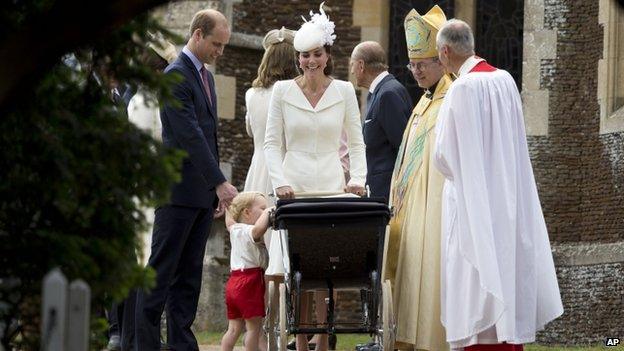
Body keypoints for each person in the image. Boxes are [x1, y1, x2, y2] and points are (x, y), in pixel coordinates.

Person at [433, 19, 563, 351]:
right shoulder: (505, 80)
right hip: (507, 199)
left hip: (472, 204)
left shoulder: (460, 90)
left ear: (446, 51)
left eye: (438, 54)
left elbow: (445, 156)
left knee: (476, 285)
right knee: (505, 270)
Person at [263, 3, 367, 350]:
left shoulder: (344, 92)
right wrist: (279, 181)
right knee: (298, 269)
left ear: (327, 56)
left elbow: (357, 142)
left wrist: (358, 181)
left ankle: (323, 341)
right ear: (298, 58)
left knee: (325, 268)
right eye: (304, 55)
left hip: (331, 185)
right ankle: (301, 339)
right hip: (294, 187)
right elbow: (271, 144)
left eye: (316, 54)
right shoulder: (281, 92)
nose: (310, 61)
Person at [134, 9, 238, 351]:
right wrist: (220, 182)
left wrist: (212, 191)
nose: (219, 51)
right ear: (196, 35)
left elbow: (210, 136)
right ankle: (145, 345)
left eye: (223, 45)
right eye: (216, 44)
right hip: (176, 192)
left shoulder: (205, 76)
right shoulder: (177, 75)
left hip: (199, 196)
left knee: (188, 278)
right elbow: (190, 135)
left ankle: (181, 344)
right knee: (160, 273)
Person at [381, 6, 452, 351]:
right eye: (412, 65)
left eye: (422, 64)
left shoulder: (453, 99)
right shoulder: (422, 102)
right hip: (409, 213)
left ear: (442, 60)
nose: (415, 72)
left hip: (435, 213)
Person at [242, 26, 298, 351]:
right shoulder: (290, 94)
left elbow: (253, 132)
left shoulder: (252, 95)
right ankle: (280, 324)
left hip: (256, 171)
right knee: (282, 253)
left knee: (260, 255)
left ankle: (260, 328)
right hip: (282, 171)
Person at [350, 41, 411, 202]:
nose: (352, 71)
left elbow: (402, 148)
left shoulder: (388, 94)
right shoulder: (381, 91)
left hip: (387, 193)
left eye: (353, 65)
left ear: (361, 65)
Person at [220, 192, 271, 351]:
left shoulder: (235, 229)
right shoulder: (250, 231)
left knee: (233, 329)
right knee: (253, 328)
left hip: (233, 282)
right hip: (250, 281)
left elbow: (229, 222)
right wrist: (271, 210)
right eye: (262, 208)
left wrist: (227, 208)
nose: (265, 211)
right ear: (247, 212)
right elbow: (258, 229)